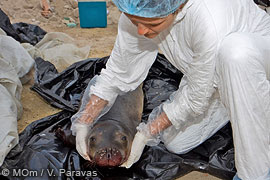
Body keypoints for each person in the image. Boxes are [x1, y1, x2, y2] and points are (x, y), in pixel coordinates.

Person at [71, 0, 270, 179]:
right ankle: (230, 100)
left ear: (178, 6)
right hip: (209, 78)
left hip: (257, 67)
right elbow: (118, 72)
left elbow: (195, 97)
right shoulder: (141, 10)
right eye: (134, 21)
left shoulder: (208, 17)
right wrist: (84, 121)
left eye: (152, 24)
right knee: (177, 142)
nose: (141, 31)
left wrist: (147, 132)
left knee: (235, 53)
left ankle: (256, 175)